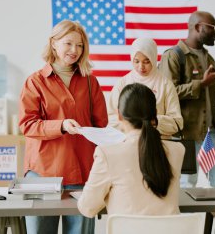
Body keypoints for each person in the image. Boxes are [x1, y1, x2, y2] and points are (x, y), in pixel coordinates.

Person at [19, 20, 108, 234]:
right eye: (68, 43)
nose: (74, 50)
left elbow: (101, 124)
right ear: (54, 44)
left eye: (79, 45)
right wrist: (61, 126)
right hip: (42, 175)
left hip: (82, 173)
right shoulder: (35, 82)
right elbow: (27, 125)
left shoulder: (90, 82)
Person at [159, 11, 215, 187]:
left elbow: (205, 96)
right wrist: (201, 84)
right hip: (184, 134)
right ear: (198, 27)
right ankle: (190, 217)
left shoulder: (209, 58)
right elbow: (167, 94)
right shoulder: (173, 56)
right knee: (187, 184)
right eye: (212, 28)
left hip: (210, 133)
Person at [78, 83, 185, 216]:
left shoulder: (107, 154)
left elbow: (87, 209)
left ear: (119, 116)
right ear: (155, 115)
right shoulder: (178, 150)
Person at [107, 37, 183, 137]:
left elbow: (177, 122)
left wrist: (153, 121)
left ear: (153, 58)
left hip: (158, 144)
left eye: (146, 61)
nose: (141, 66)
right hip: (128, 143)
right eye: (136, 61)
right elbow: (111, 118)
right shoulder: (122, 83)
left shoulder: (165, 84)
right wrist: (131, 125)